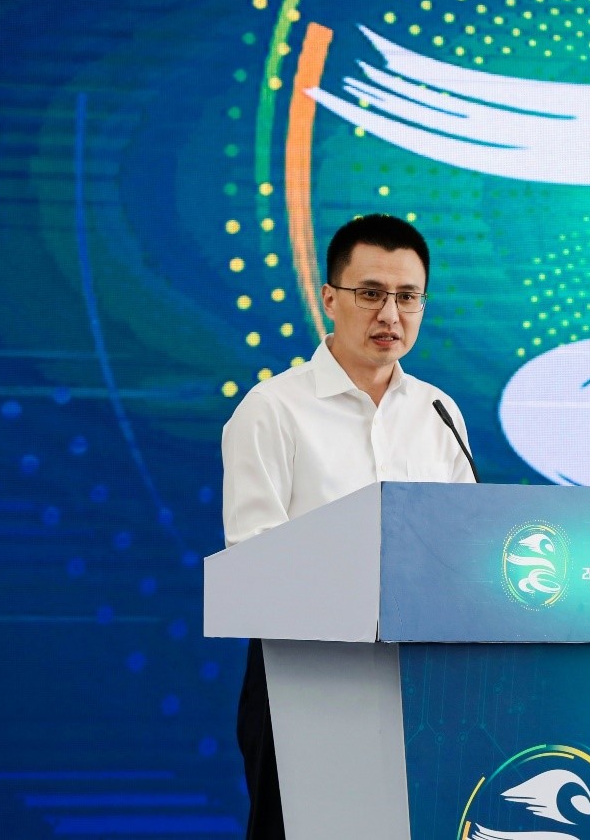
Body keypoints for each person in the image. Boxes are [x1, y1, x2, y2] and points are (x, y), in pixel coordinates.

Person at [220, 214, 477, 839]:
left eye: (408, 297)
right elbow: (253, 564)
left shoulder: (439, 412)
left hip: (418, 687)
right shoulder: (273, 410)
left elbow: (464, 549)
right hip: (303, 681)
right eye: (371, 294)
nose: (390, 314)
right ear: (330, 298)